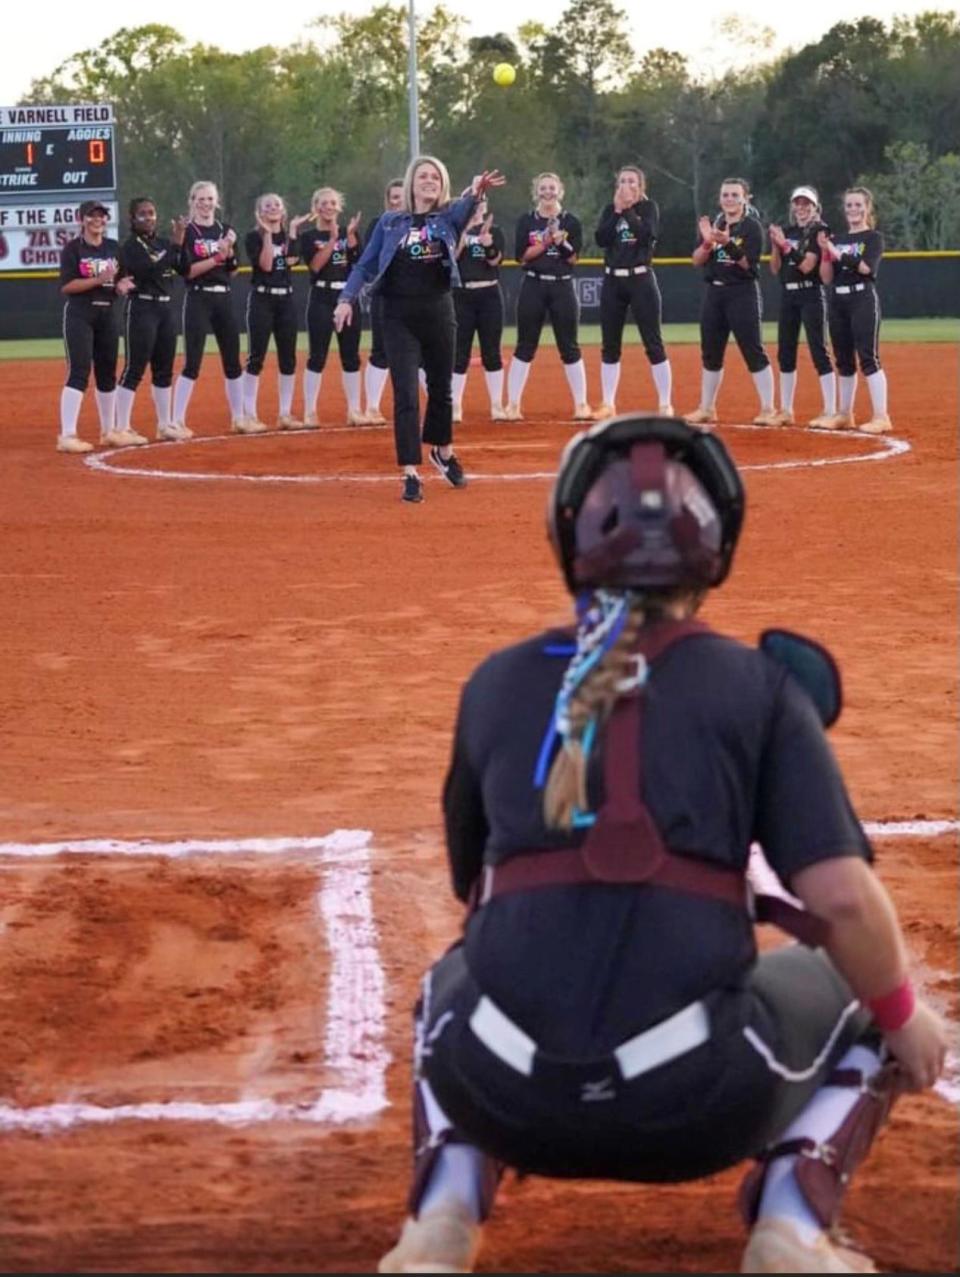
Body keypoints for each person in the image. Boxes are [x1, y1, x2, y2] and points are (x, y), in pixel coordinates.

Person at [376, 414, 947, 1275]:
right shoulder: (758, 689)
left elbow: (472, 882)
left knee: (446, 984)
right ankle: (791, 1227)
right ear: (716, 544)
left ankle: (443, 1217)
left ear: (568, 533)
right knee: (869, 989)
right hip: (698, 1101)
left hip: (503, 1094)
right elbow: (838, 901)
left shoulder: (496, 683)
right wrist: (905, 1017)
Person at [334, 158, 505, 504]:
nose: (429, 181)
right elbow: (366, 264)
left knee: (442, 390)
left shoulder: (449, 217)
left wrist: (476, 188)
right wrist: (346, 299)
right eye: (423, 176)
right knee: (407, 395)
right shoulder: (389, 221)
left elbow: (469, 203)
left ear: (443, 185)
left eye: (436, 177)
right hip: (398, 315)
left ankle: (443, 452)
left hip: (439, 310)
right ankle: (410, 473)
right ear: (411, 183)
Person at [686, 178, 778, 427]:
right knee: (711, 351)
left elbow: (749, 263)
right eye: (725, 195)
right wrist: (707, 243)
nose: (729, 199)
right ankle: (707, 408)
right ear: (720, 199)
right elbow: (696, 260)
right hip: (715, 292)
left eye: (735, 195)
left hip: (742, 291)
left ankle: (769, 409)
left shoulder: (751, 227)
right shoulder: (714, 225)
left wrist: (727, 244)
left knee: (753, 349)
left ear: (745, 198)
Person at [505, 173, 593, 422]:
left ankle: (581, 404)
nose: (547, 192)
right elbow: (521, 256)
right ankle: (513, 405)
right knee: (525, 345)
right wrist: (545, 243)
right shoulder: (526, 221)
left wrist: (560, 242)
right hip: (533, 284)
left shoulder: (571, 221)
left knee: (569, 346)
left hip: (562, 286)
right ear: (536, 192)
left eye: (552, 188)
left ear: (560, 191)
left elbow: (574, 258)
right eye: (543, 188)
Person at [56, 199, 139, 454]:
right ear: (82, 219)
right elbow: (67, 286)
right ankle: (68, 434)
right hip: (81, 313)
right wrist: (99, 279)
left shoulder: (113, 248)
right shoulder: (73, 249)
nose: (98, 220)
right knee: (79, 371)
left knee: (107, 373)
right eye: (92, 215)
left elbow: (121, 278)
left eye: (102, 216)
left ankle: (109, 431)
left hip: (108, 313)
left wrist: (120, 286)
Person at [594, 166, 673, 419]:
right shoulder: (610, 210)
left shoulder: (649, 208)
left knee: (653, 342)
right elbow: (602, 239)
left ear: (641, 187)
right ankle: (607, 403)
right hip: (613, 280)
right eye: (622, 181)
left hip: (640, 279)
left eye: (632, 182)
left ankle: (665, 403)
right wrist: (617, 211)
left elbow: (644, 235)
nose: (626, 186)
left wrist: (627, 209)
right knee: (610, 344)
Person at [172, 181, 250, 435]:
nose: (205, 203)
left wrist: (229, 254)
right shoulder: (189, 232)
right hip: (198, 297)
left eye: (210, 199)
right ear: (191, 201)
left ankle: (238, 418)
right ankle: (177, 420)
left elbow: (234, 270)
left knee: (232, 360)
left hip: (223, 297)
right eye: (200, 199)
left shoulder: (224, 230)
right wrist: (217, 257)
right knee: (192, 361)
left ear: (217, 202)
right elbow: (188, 271)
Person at [817, 188, 890, 434]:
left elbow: (867, 268)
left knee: (868, 357)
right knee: (844, 360)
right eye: (849, 205)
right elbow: (826, 278)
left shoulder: (873, 238)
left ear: (867, 207)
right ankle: (844, 414)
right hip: (838, 300)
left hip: (862, 298)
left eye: (858, 204)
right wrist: (826, 253)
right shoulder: (836, 240)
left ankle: (881, 416)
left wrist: (838, 253)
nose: (853, 209)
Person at [116, 197, 189, 442]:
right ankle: (121, 427)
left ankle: (165, 424)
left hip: (165, 308)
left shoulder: (163, 243)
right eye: (142, 214)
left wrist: (179, 245)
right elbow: (148, 269)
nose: (148, 217)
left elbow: (183, 268)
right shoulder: (130, 246)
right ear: (132, 219)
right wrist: (175, 246)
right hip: (142, 307)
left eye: (152, 212)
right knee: (135, 367)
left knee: (164, 369)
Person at [767, 186, 836, 428]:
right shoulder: (788, 231)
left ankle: (830, 409)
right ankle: (786, 410)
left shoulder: (820, 230)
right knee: (785, 351)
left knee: (818, 349)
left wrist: (785, 246)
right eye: (798, 203)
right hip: (788, 294)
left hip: (810, 292)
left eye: (807, 203)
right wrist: (776, 246)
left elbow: (808, 266)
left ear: (816, 207)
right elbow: (775, 268)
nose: (801, 207)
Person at [296, 187, 364, 427]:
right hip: (322, 296)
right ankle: (310, 412)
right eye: (323, 203)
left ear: (339, 206)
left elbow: (359, 264)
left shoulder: (350, 232)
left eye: (333, 203)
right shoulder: (308, 236)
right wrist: (334, 239)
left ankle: (354, 410)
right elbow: (315, 266)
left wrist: (351, 237)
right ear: (316, 208)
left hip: (347, 296)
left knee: (351, 356)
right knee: (317, 355)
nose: (329, 207)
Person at [241, 193, 300, 430]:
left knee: (288, 358)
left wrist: (293, 231)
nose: (273, 208)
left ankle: (285, 414)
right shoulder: (253, 237)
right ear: (260, 212)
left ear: (283, 210)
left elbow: (293, 260)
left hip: (285, 298)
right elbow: (266, 265)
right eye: (267, 205)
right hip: (262, 298)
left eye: (277, 204)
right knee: (257, 356)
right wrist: (267, 235)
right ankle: (250, 414)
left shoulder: (290, 236)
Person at [452, 197, 507, 422]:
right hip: (461, 295)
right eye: (473, 204)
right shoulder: (455, 230)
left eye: (481, 203)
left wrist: (488, 244)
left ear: (486, 207)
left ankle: (496, 405)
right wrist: (461, 241)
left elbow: (496, 261)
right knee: (459, 353)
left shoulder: (495, 230)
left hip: (489, 294)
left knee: (492, 352)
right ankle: (455, 405)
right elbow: (449, 260)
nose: (477, 208)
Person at [364, 179, 405, 425]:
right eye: (394, 196)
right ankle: (371, 407)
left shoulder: (421, 224)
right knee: (381, 350)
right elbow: (372, 258)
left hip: (416, 296)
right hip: (385, 294)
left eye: (402, 196)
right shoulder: (379, 224)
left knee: (422, 351)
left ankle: (439, 404)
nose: (397, 200)